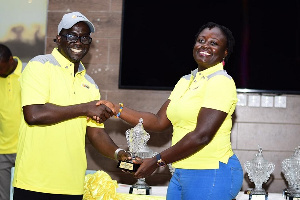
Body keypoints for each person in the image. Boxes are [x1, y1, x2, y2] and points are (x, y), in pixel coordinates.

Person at [99, 22, 243, 200]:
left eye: (214, 43)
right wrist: (117, 109)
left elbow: (202, 135)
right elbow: (159, 121)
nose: (205, 45)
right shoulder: (186, 80)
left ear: (225, 52)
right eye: (201, 40)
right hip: (181, 172)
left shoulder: (221, 81)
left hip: (211, 172)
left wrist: (157, 160)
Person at [12, 11, 130, 200]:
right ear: (59, 38)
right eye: (72, 36)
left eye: (85, 37)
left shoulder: (90, 84)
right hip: (34, 183)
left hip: (72, 186)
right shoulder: (40, 66)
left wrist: (120, 155)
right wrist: (84, 107)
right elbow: (34, 114)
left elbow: (96, 133)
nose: (79, 42)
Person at [0, 44, 25, 200]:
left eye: (1, 68)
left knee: (24, 195)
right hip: (2, 150)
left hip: (25, 148)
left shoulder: (28, 73)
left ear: (10, 60)